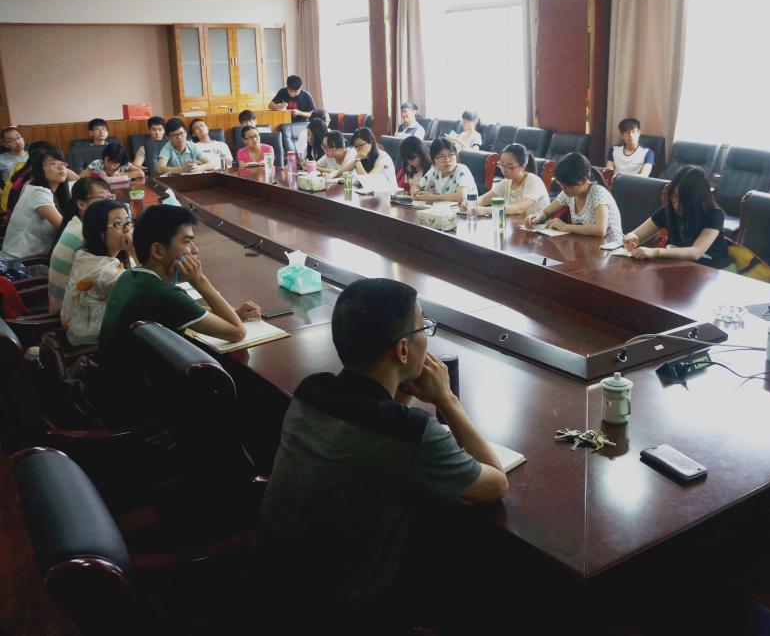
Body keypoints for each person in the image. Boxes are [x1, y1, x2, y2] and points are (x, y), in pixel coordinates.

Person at [257, 278, 507, 627]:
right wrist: (446, 400)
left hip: (276, 591)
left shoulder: (311, 392)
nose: (427, 336)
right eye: (423, 327)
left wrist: (401, 386)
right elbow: (495, 485)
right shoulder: (411, 435)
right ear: (403, 350)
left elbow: (381, 420)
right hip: (346, 612)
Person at [99, 204, 261, 369]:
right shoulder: (165, 294)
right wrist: (200, 281)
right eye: (187, 242)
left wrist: (233, 313)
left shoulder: (130, 276)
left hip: (111, 378)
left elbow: (188, 308)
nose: (195, 250)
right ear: (158, 251)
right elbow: (237, 332)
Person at [622, 165, 732, 267]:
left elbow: (695, 252)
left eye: (683, 199)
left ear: (697, 199)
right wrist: (631, 238)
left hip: (712, 269)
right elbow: (637, 235)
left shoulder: (714, 214)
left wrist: (656, 252)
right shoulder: (668, 210)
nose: (676, 204)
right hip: (679, 266)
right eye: (674, 196)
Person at [61, 200, 134, 347]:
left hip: (75, 332)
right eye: (118, 224)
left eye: (128, 222)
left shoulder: (83, 253)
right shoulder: (105, 271)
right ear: (99, 233)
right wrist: (134, 250)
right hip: (91, 345)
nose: (127, 229)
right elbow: (143, 292)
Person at [48, 176, 115, 312]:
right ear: (81, 204)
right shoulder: (85, 236)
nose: (108, 205)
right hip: (70, 314)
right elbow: (112, 279)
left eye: (110, 198)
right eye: (102, 199)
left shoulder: (76, 222)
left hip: (64, 304)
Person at [526, 152, 623, 242]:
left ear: (583, 181)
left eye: (566, 187)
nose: (563, 190)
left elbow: (600, 230)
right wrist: (536, 218)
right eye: (561, 186)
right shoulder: (568, 193)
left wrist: (565, 227)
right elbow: (546, 212)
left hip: (610, 248)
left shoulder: (598, 193)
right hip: (587, 244)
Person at [0, 144, 70, 263]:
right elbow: (64, 228)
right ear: (39, 169)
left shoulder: (32, 186)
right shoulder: (38, 193)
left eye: (63, 163)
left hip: (29, 258)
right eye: (54, 163)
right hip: (19, 263)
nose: (61, 167)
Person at [469, 143, 547, 216]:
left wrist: (485, 210)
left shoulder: (533, 181)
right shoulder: (508, 181)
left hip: (538, 225)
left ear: (523, 166)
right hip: (515, 223)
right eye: (502, 164)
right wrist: (470, 204)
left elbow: (519, 208)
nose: (504, 170)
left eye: (510, 167)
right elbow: (484, 199)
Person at [413, 138, 475, 202]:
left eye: (451, 155)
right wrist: (415, 192)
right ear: (433, 161)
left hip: (466, 208)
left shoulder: (461, 169)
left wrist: (432, 197)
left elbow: (461, 196)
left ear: (456, 156)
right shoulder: (435, 170)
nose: (447, 160)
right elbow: (417, 186)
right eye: (441, 157)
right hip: (443, 207)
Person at [1, 127, 29, 209]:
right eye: (11, 141)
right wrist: (3, 194)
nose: (17, 142)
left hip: (32, 192)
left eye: (18, 137)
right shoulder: (1, 159)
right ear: (5, 144)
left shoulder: (34, 155)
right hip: (11, 195)